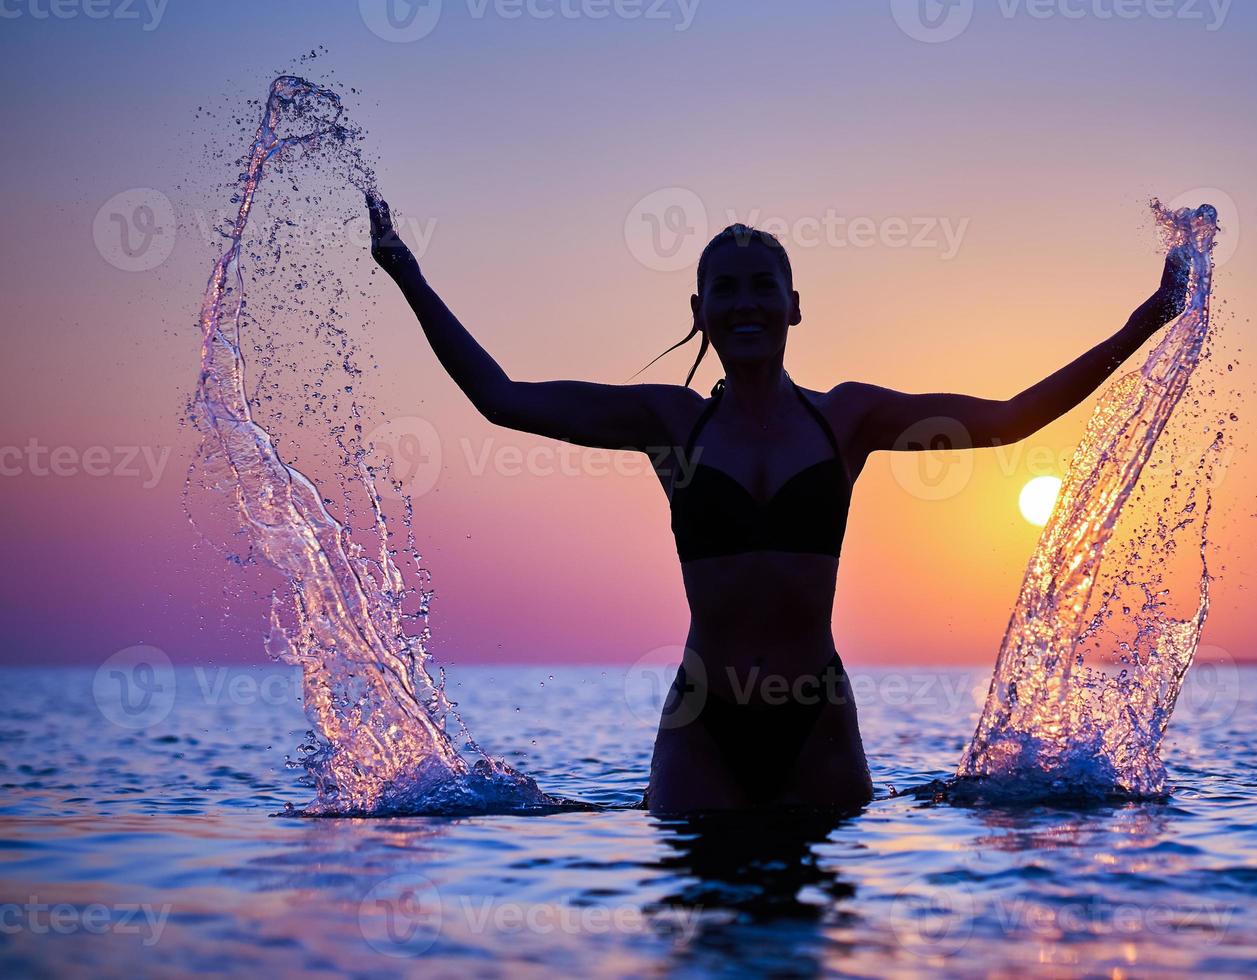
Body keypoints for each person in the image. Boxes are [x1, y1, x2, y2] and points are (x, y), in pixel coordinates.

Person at [367, 196, 1190, 813]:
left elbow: (1010, 420)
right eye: (726, 290)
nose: (748, 303)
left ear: (795, 306)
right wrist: (408, 271)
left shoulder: (849, 419)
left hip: (818, 719)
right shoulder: (670, 423)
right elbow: (501, 399)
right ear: (701, 313)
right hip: (703, 722)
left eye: (766, 287)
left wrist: (1146, 321)